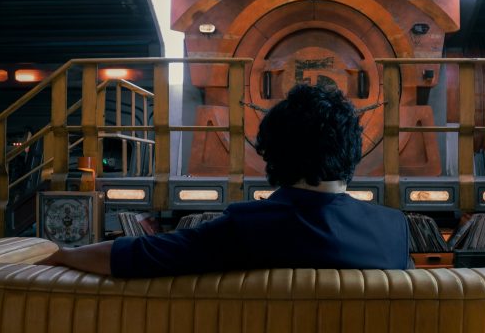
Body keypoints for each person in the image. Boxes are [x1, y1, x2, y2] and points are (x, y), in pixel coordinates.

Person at [39, 84, 410, 276]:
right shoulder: (393, 228)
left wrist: (61, 256)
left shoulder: (248, 226)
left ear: (272, 153)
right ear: (352, 151)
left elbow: (137, 256)